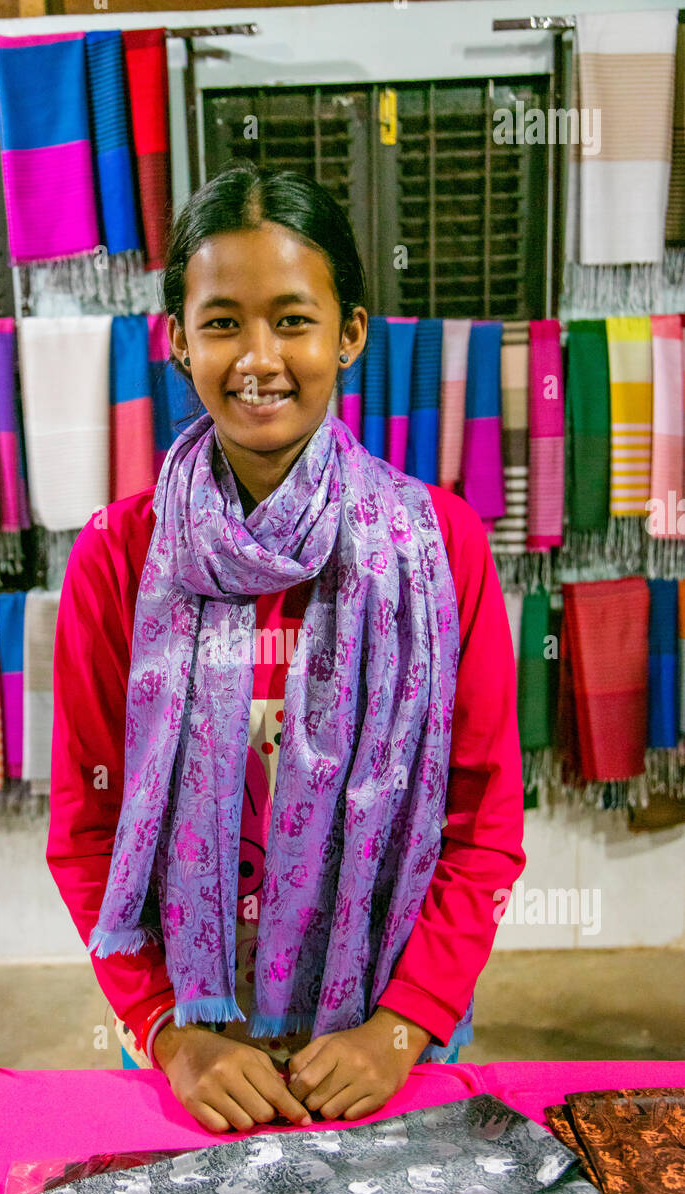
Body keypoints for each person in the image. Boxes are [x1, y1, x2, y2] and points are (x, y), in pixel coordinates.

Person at [47, 160, 526, 1135]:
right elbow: (89, 827)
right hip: (198, 1048)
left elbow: (479, 822)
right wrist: (171, 1031)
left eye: (293, 319)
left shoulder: (436, 547)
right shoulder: (117, 561)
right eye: (221, 320)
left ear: (347, 333)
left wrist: (398, 1027)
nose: (256, 356)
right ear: (176, 339)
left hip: (381, 1049)